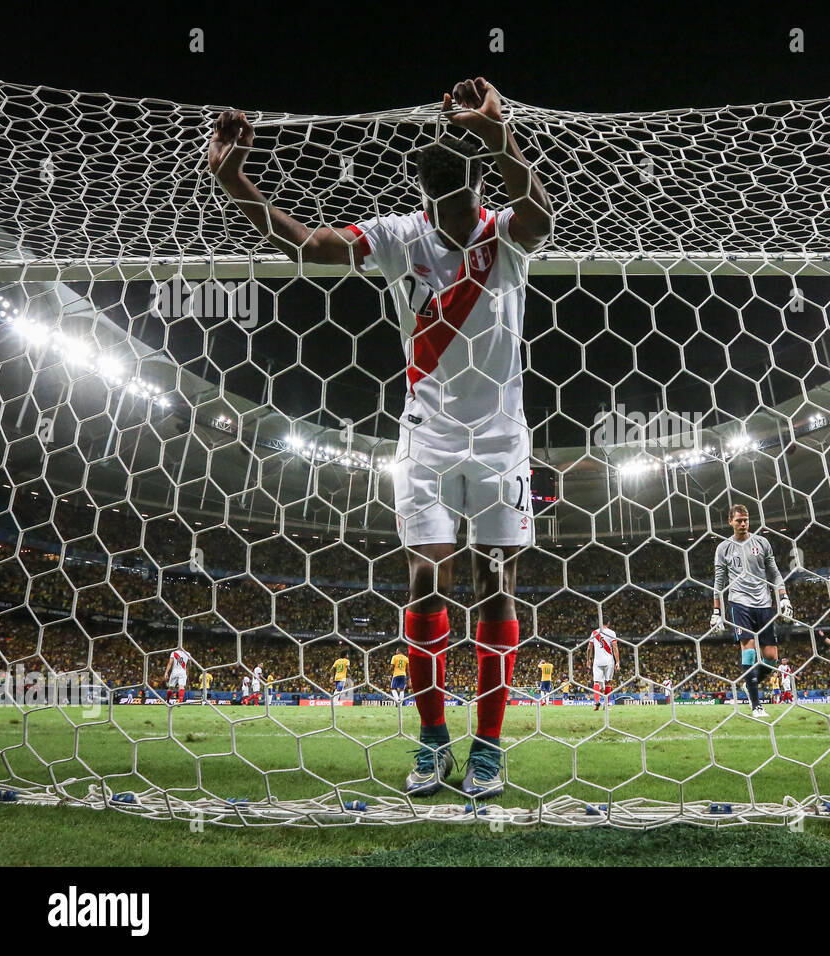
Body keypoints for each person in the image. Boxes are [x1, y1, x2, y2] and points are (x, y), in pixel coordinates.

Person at [208, 77, 551, 800]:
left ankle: (486, 749)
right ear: (421, 189)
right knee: (428, 576)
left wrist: (498, 132)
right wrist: (235, 179)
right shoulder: (400, 235)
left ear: (473, 177)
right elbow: (304, 243)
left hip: (500, 441)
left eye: (455, 159)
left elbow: (539, 209)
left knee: (495, 588)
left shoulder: (505, 234)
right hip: (425, 438)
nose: (435, 166)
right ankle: (433, 743)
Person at [708, 504, 792, 719]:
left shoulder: (761, 543)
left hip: (763, 603)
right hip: (739, 602)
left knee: (771, 657)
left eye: (745, 520)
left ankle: (749, 684)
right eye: (738, 520)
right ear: (730, 522)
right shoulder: (724, 548)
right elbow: (719, 582)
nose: (743, 524)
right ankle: (756, 706)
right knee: (749, 650)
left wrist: (783, 596)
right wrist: (716, 611)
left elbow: (774, 572)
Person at [588, 626, 620, 711]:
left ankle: (597, 702)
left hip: (597, 661)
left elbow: (589, 648)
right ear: (608, 623)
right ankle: (606, 705)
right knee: (608, 682)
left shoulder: (594, 632)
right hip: (609, 661)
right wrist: (617, 661)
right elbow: (615, 647)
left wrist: (588, 659)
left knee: (596, 682)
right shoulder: (611, 632)